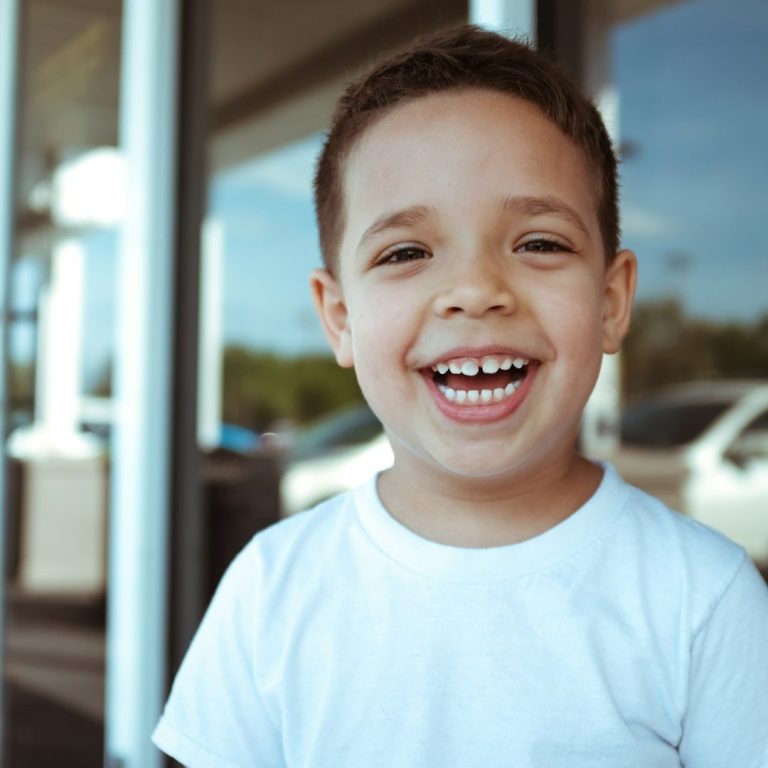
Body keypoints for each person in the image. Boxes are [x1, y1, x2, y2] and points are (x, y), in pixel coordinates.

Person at [153, 25, 768, 767]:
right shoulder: (272, 587)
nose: (475, 291)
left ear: (611, 301)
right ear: (340, 318)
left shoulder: (702, 597)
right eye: (405, 252)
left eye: (539, 242)